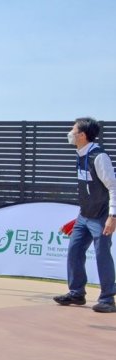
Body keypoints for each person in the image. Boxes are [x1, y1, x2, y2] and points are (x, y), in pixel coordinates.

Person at [53, 117, 116, 313]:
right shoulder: (80, 154)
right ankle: (77, 293)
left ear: (82, 135)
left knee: (102, 255)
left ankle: (107, 299)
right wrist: (80, 215)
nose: (69, 133)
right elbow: (88, 189)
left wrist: (112, 216)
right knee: (74, 250)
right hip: (84, 215)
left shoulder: (99, 157)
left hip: (101, 216)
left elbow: (113, 187)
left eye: (73, 130)